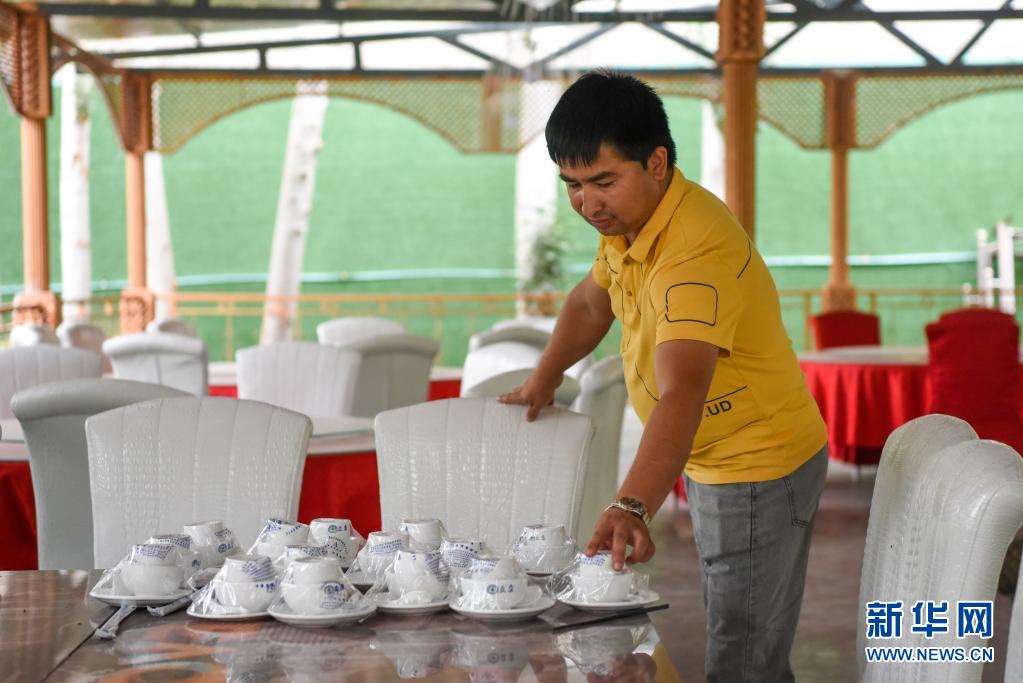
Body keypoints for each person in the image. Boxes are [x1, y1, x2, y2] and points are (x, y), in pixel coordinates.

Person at [499, 70, 828, 682]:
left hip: (756, 461)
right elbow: (591, 302)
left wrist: (630, 504)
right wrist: (546, 375)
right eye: (572, 184)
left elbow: (683, 391)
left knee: (743, 652)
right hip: (711, 451)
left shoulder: (694, 255)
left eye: (603, 181)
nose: (587, 203)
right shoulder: (632, 222)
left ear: (656, 163)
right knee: (738, 624)